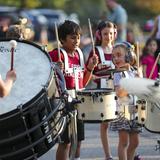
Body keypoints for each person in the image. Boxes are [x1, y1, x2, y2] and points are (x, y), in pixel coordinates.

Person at [49, 20, 98, 160]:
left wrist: (90, 67)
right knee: (65, 142)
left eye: (78, 37)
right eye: (72, 37)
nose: (76, 40)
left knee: (77, 140)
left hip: (78, 100)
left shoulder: (79, 54)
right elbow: (46, 77)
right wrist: (54, 68)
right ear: (63, 39)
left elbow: (83, 82)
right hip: (63, 102)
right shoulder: (55, 54)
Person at [86, 20, 115, 160]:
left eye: (110, 33)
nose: (108, 36)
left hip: (118, 89)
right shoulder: (95, 51)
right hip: (103, 89)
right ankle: (108, 155)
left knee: (125, 123)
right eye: (105, 33)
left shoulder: (118, 49)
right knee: (105, 124)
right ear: (99, 35)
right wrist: (95, 73)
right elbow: (89, 74)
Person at [110, 42, 143, 160]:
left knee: (135, 143)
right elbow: (119, 93)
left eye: (119, 55)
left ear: (129, 56)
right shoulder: (118, 74)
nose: (115, 58)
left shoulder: (135, 71)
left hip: (135, 110)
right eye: (113, 56)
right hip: (122, 111)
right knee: (124, 142)